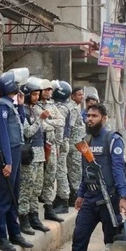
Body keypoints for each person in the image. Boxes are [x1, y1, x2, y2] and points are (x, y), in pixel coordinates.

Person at [53, 104, 126, 251]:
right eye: (88, 116)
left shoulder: (113, 140)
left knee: (111, 241)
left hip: (109, 199)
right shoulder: (86, 140)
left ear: (104, 118)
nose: (90, 119)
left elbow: (118, 169)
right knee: (79, 237)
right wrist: (80, 193)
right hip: (90, 198)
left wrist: (123, 197)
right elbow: (85, 171)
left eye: (94, 116)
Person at [0, 70, 34, 251]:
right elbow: (3, 136)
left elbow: (20, 126)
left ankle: (14, 233)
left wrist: (21, 107)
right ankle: (1, 237)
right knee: (3, 197)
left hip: (15, 152)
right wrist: (8, 162)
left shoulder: (11, 106)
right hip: (8, 155)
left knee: (13, 195)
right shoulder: (1, 107)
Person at [19, 77, 51, 234]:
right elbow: (27, 132)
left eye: (38, 94)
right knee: (27, 188)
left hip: (39, 154)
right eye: (34, 94)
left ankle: (34, 217)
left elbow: (45, 128)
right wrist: (40, 120)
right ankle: (23, 218)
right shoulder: (21, 111)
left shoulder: (36, 109)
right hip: (29, 154)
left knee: (37, 188)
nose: (37, 98)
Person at [39, 80, 66, 223]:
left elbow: (61, 122)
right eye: (45, 89)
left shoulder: (52, 106)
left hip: (50, 145)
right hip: (35, 146)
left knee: (50, 176)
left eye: (50, 89)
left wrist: (47, 123)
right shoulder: (33, 105)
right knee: (34, 180)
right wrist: (44, 124)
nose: (48, 91)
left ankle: (48, 208)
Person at [51, 81, 73, 214]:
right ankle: (59, 197)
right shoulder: (61, 105)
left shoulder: (62, 108)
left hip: (61, 143)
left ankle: (64, 200)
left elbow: (60, 126)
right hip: (61, 142)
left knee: (60, 171)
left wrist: (57, 145)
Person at [67, 87, 85, 199]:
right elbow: (70, 126)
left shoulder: (76, 107)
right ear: (72, 96)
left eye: (82, 95)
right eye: (79, 95)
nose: (82, 97)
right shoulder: (73, 108)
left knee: (77, 169)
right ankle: (75, 194)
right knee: (75, 170)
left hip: (78, 143)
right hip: (74, 145)